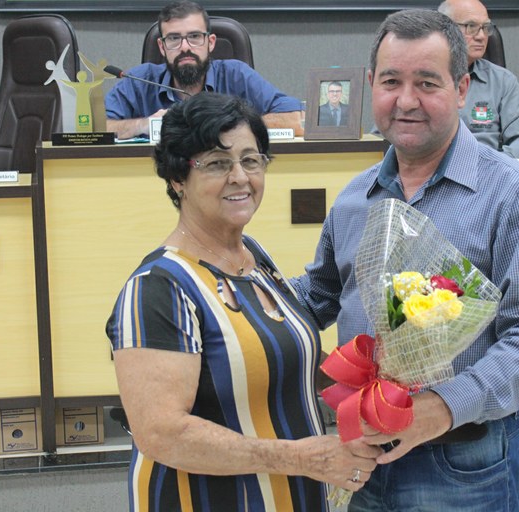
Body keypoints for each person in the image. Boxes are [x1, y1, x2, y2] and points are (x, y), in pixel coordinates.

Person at [292, 9, 519, 512]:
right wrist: (236, 294)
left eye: (426, 83)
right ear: (371, 87)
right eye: (391, 82)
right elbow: (318, 296)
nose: (406, 101)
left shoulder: (512, 194)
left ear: (461, 89)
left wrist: (443, 406)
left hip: (463, 459)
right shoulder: (355, 197)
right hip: (361, 452)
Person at [105, 93, 380, 511]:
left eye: (251, 160)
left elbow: (275, 358)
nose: (240, 177)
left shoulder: (253, 257)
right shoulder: (158, 287)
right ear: (178, 178)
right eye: (217, 163)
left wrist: (373, 387)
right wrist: (301, 458)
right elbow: (162, 434)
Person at [104, 1, 303, 139]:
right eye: (174, 38)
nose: (185, 47)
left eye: (194, 37)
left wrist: (226, 126)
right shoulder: (139, 81)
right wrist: (143, 125)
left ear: (211, 42)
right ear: (162, 47)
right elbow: (96, 130)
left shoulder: (237, 75)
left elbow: (296, 119)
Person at [438, 0, 519, 159]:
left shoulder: (502, 81)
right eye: (471, 26)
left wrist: (490, 162)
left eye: (486, 27)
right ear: (444, 30)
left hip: (490, 170)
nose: (481, 36)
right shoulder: (421, 79)